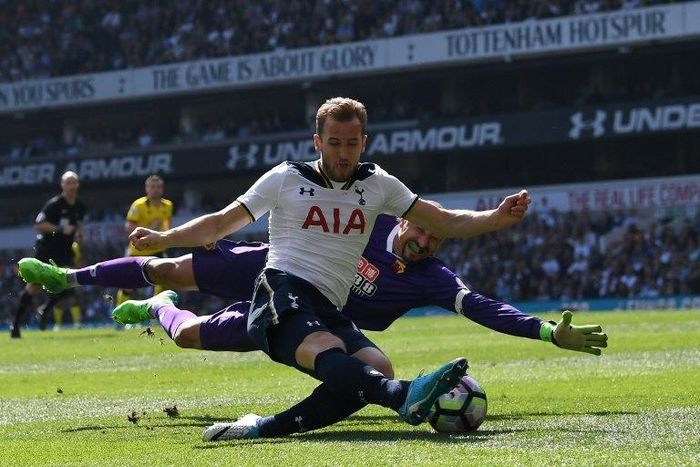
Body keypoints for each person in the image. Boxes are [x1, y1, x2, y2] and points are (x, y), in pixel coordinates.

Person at [21, 97, 529, 435]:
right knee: (323, 348)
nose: (344, 152)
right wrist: (163, 239)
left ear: (364, 143)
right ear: (318, 142)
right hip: (279, 288)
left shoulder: (379, 185)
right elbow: (221, 222)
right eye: (335, 143)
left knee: (374, 366)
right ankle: (402, 400)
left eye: (353, 143)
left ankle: (264, 427)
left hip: (328, 303)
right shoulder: (286, 178)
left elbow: (442, 219)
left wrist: (494, 218)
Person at [19, 212, 608, 439]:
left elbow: (483, 307)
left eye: (436, 239)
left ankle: (159, 310)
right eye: (423, 230)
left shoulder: (434, 278)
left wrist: (547, 332)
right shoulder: (374, 219)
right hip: (275, 268)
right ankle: (68, 276)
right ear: (411, 220)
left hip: (308, 318)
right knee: (169, 265)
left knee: (187, 334)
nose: (424, 240)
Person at [10, 171, 86, 338]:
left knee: (67, 284)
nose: (71, 186)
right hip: (46, 249)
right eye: (68, 182)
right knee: (33, 287)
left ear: (77, 185)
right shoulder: (54, 204)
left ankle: (45, 309)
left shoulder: (80, 206)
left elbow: (78, 224)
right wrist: (59, 229)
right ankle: (15, 325)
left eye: (74, 182)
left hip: (65, 251)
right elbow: (39, 225)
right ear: (62, 184)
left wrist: (80, 234)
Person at [115, 174, 173, 306]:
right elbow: (128, 227)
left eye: (158, 187)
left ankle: (154, 312)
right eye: (152, 187)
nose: (155, 189)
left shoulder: (167, 205)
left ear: (162, 188)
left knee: (164, 280)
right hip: (138, 250)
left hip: (158, 249)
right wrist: (149, 229)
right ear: (147, 189)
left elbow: (169, 227)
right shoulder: (139, 205)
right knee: (127, 285)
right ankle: (120, 319)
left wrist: (165, 237)